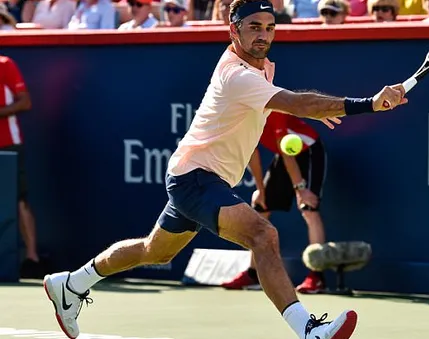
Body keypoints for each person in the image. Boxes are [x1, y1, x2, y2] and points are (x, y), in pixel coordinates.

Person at [42, 0, 407, 338]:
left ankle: (72, 283)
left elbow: (293, 102)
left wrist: (321, 107)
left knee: (155, 251)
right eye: (253, 26)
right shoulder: (237, 75)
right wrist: (368, 104)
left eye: (269, 26)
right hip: (195, 177)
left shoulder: (259, 68)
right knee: (263, 235)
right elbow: (297, 102)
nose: (263, 34)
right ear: (234, 29)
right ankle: (307, 329)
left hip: (196, 175)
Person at [221, 111, 330, 294]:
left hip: (309, 151)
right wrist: (261, 191)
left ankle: (317, 275)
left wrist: (300, 188)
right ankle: (253, 274)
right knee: (260, 208)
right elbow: (252, 155)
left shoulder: (273, 111)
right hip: (284, 155)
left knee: (309, 209)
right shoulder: (243, 120)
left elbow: (289, 155)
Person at [0, 55, 44, 279]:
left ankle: (32, 258)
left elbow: (25, 101)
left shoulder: (5, 65)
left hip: (9, 144)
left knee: (20, 199)